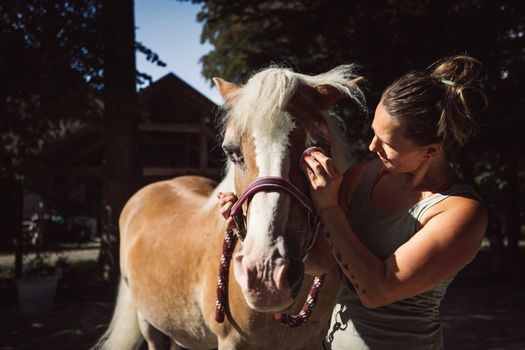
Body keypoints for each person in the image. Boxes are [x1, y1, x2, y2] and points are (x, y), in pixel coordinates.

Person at [219, 55, 488, 349]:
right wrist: (250, 229)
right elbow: (319, 262)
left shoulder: (461, 212)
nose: (373, 147)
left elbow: (376, 291)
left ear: (430, 151)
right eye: (373, 132)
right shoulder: (362, 176)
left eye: (387, 143)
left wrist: (329, 207)